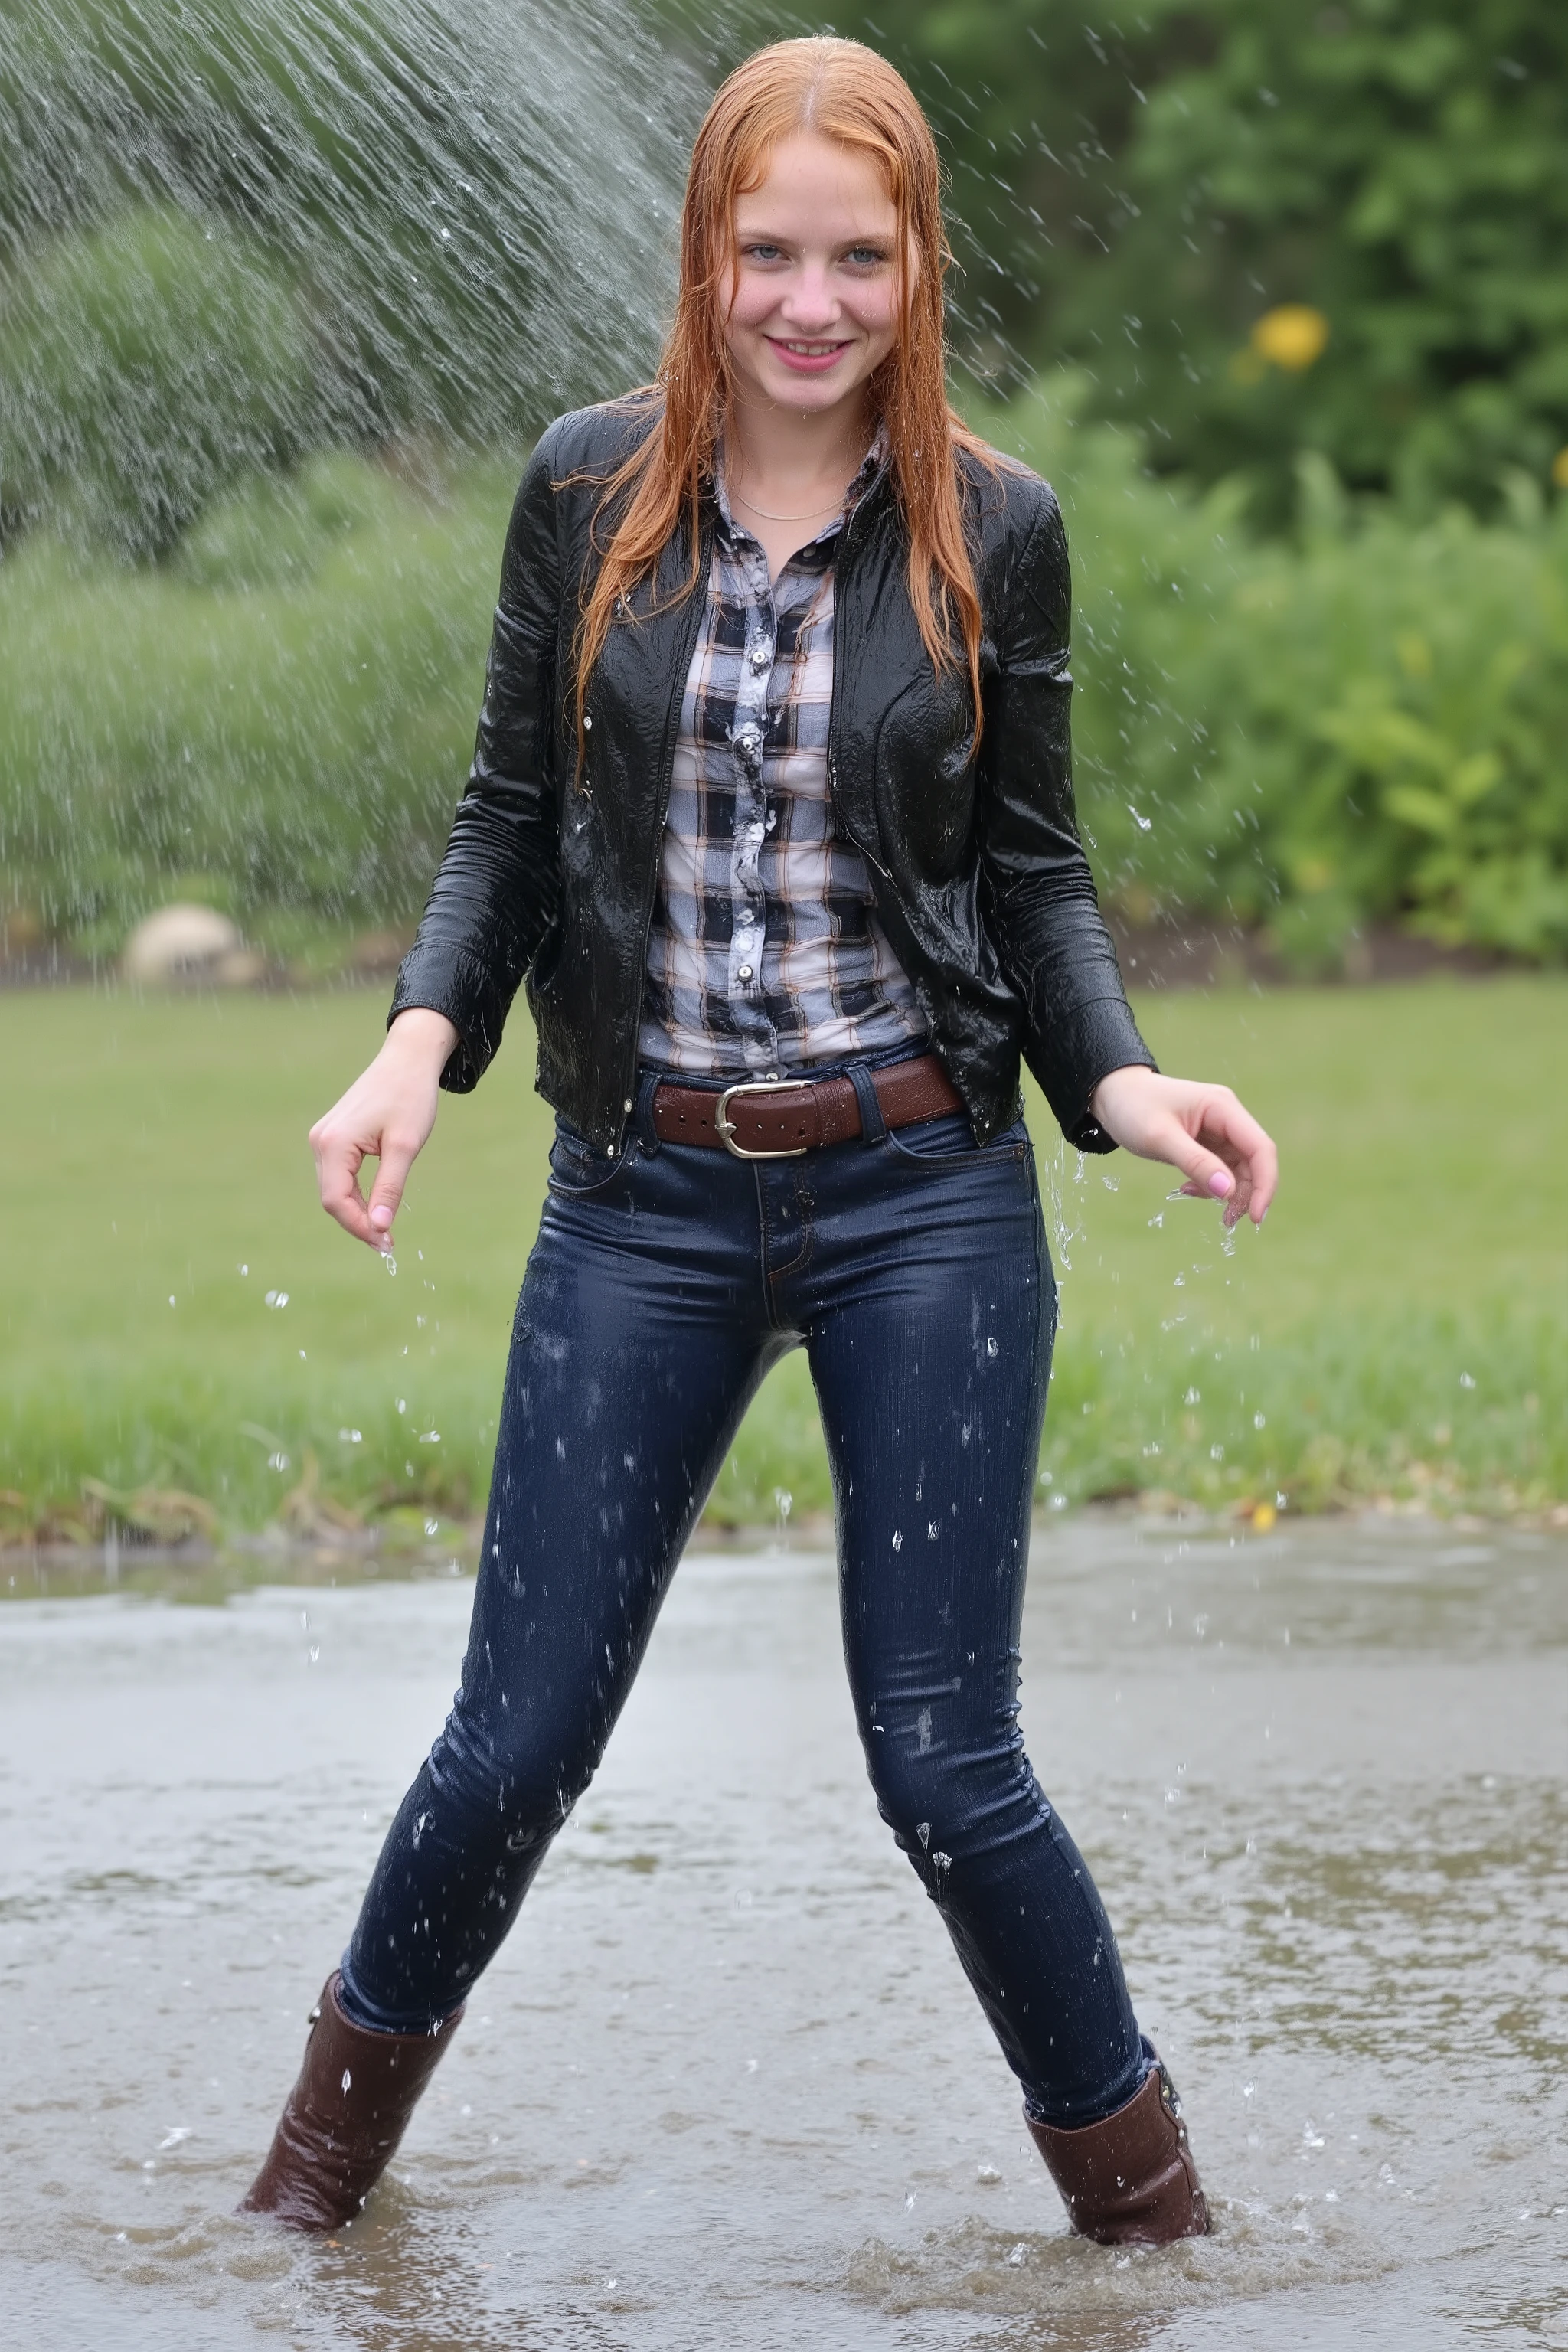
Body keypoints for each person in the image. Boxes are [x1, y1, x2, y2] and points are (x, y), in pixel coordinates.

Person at [241, 35, 1276, 2245]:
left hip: (926, 1195)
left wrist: (1119, 1082)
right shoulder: (585, 488)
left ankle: (1164, 2244)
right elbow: (513, 814)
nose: (811, 302)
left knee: (946, 1768)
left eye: (859, 258)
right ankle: (294, 2217)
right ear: (704, 249)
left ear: (919, 263)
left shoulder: (998, 528)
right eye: (767, 251)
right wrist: (415, 1043)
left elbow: (1038, 877)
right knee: (513, 1748)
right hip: (646, 1200)